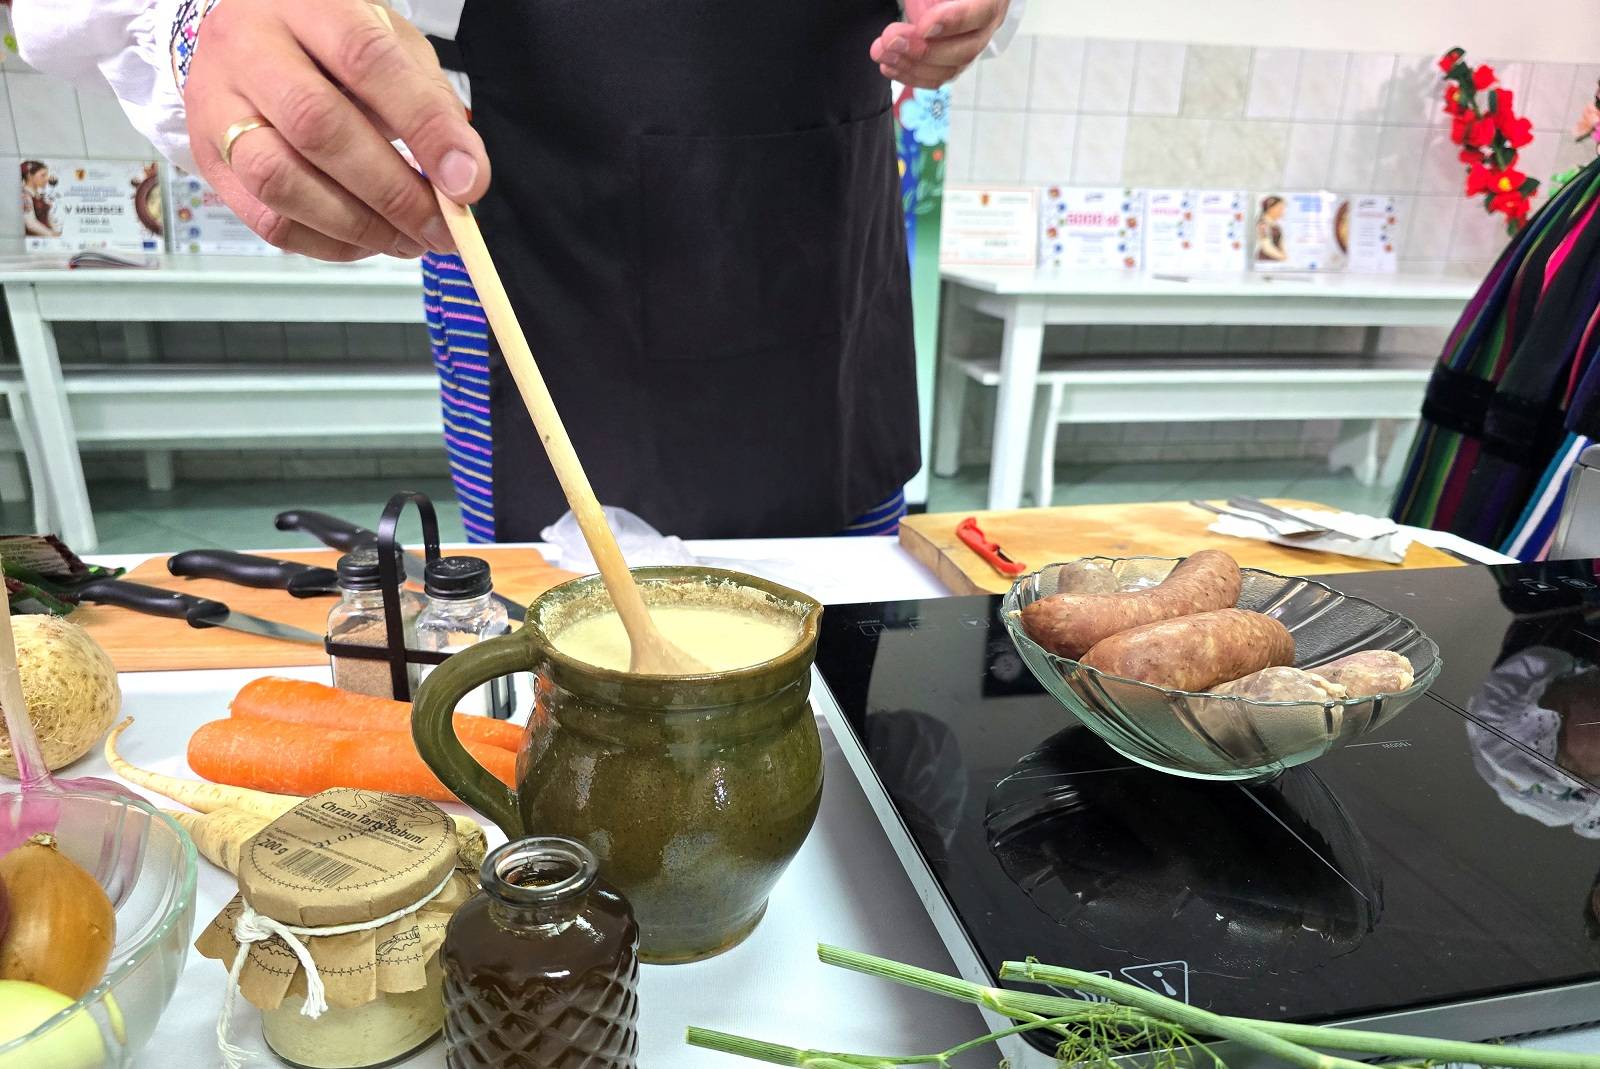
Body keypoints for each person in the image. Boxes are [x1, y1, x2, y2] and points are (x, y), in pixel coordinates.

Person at [18, 0, 1022, 540]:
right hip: (539, 219)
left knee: (840, 664)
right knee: (563, 662)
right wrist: (196, 15)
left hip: (826, 234)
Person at [20, 161, 60, 239]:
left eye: (47, 175)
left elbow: (49, 218)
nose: (47, 178)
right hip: (33, 241)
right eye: (43, 175)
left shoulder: (40, 195)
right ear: (29, 176)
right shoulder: (24, 196)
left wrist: (56, 232)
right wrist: (52, 235)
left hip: (46, 239)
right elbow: (31, 224)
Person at [1255, 195, 1287, 262]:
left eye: (1283, 209)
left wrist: (1284, 256)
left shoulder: (1276, 226)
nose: (1282, 212)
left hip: (1276, 260)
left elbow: (1281, 244)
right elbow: (1267, 248)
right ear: (1270, 208)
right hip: (1266, 261)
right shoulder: (1262, 224)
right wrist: (1283, 257)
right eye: (1280, 208)